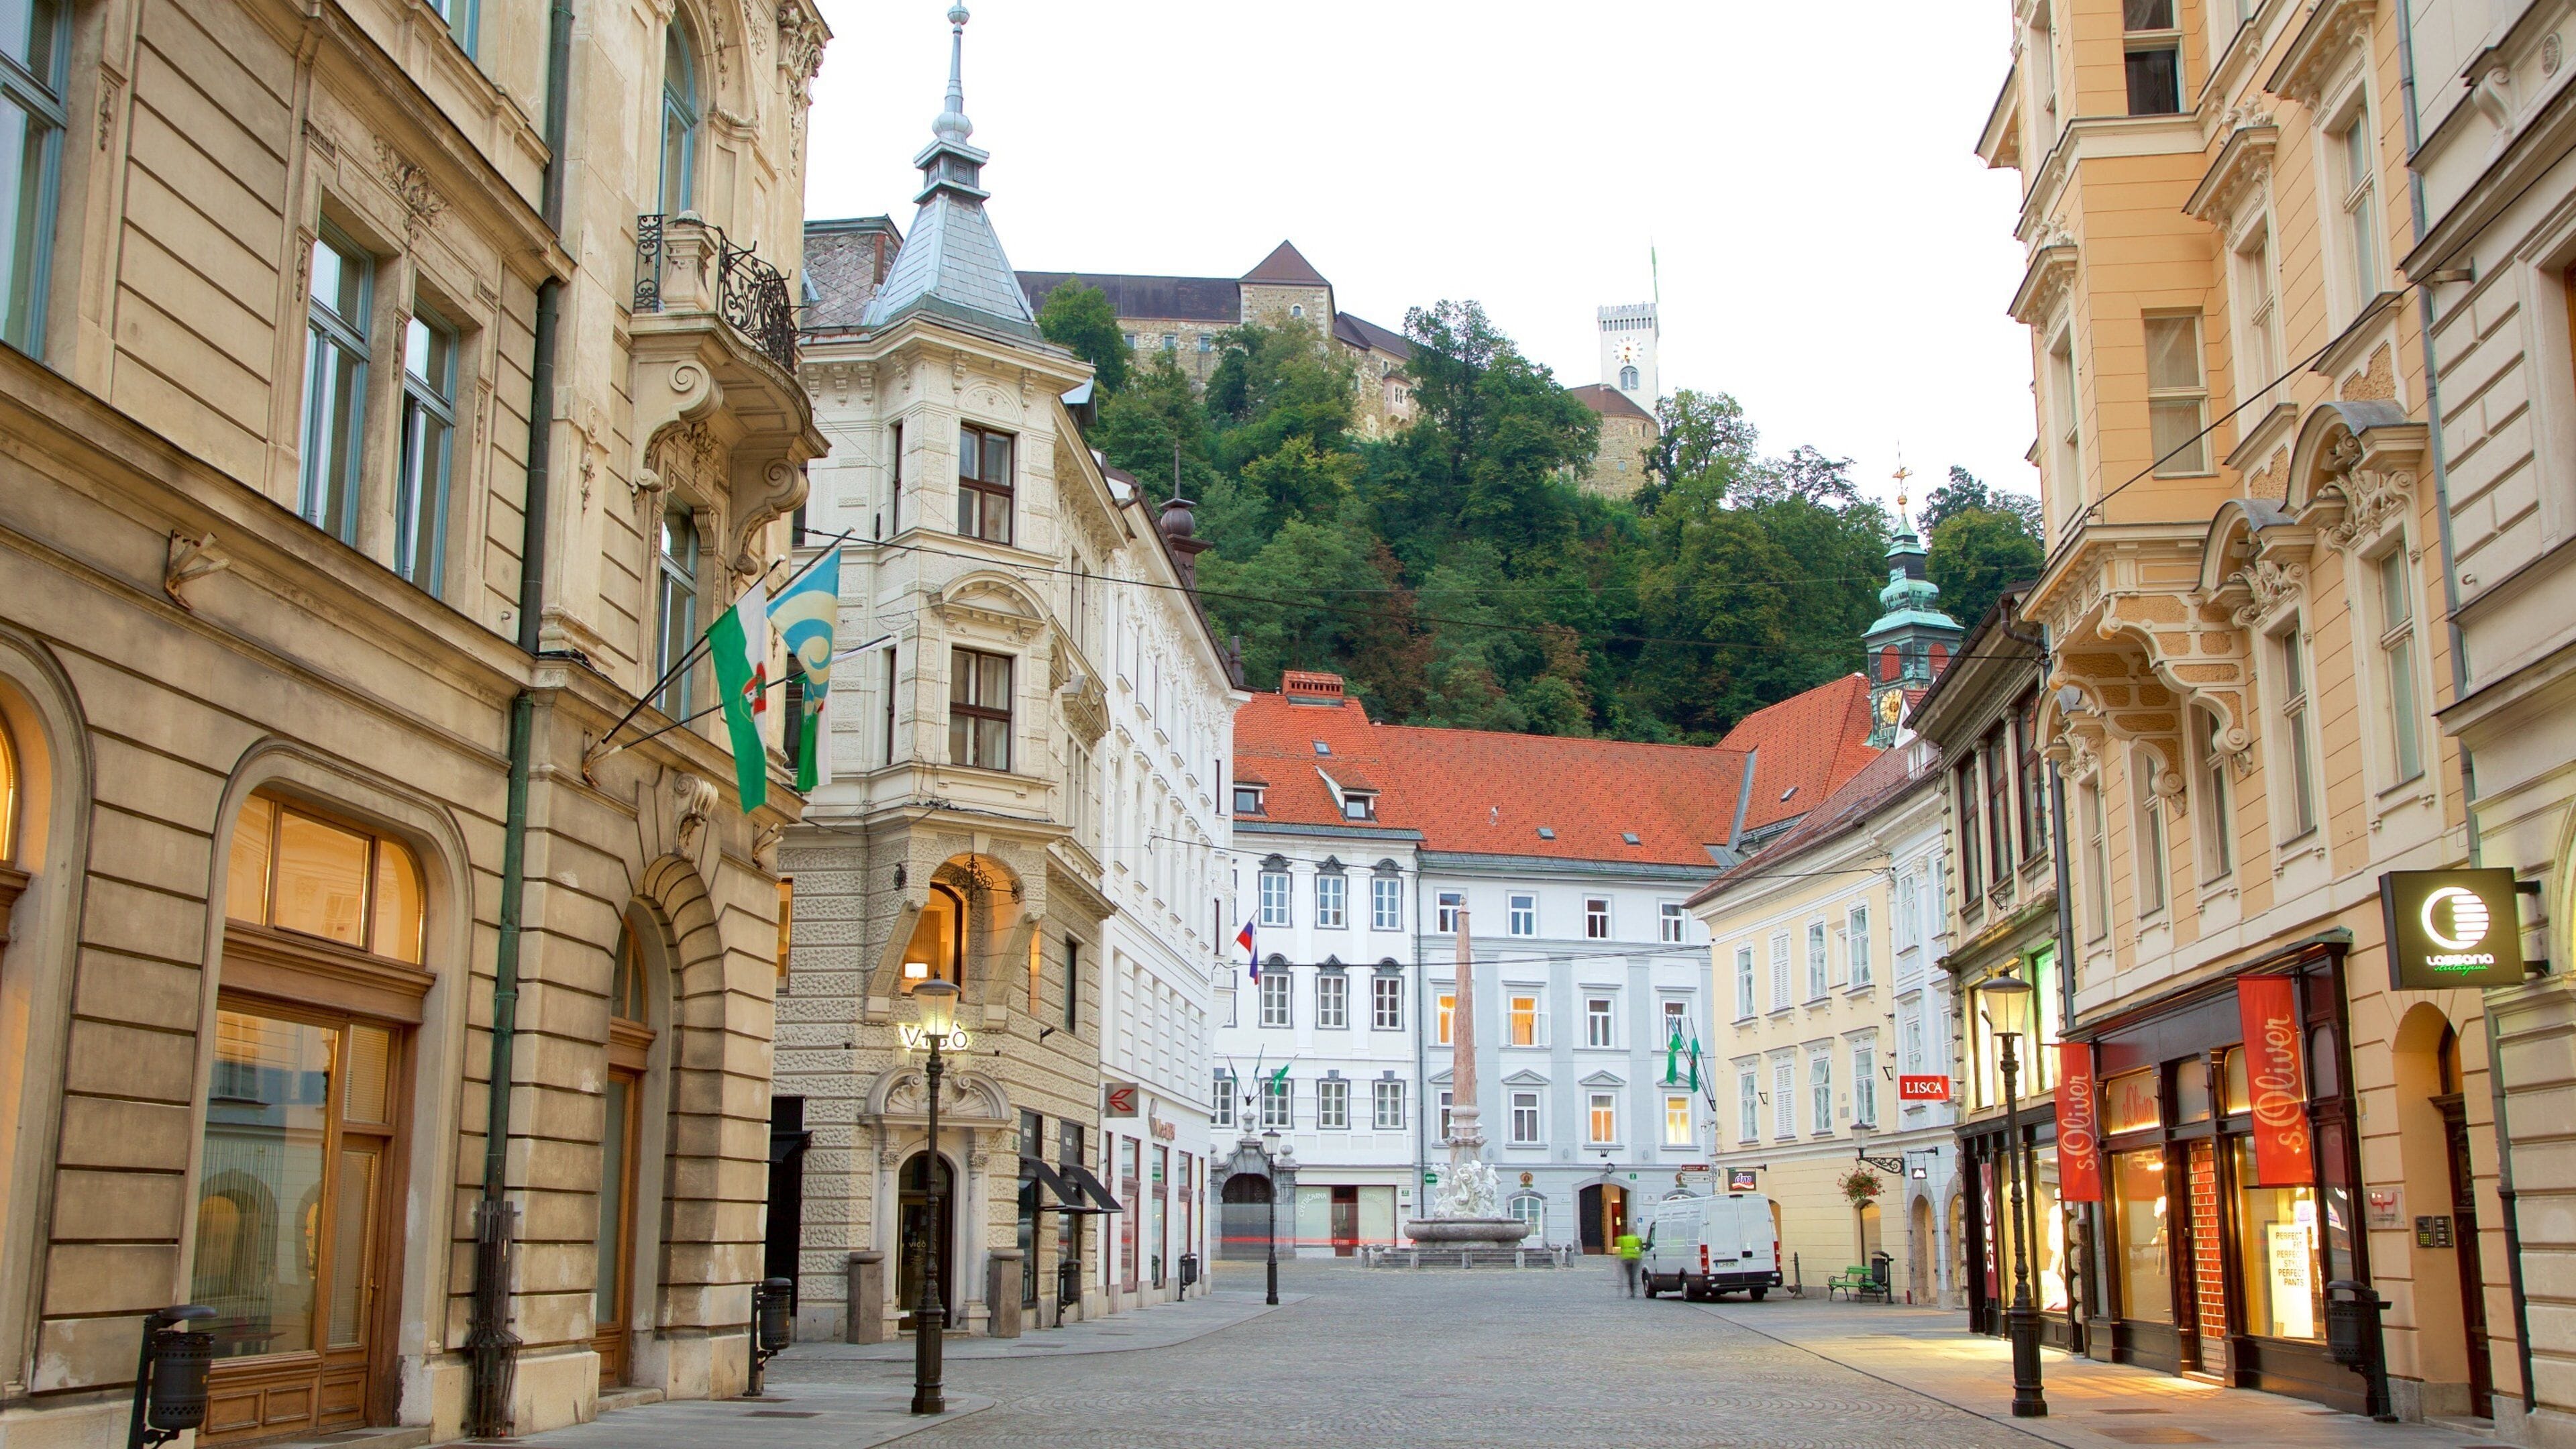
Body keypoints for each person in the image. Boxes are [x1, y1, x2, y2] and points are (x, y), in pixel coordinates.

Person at [1615, 1227, 1643, 1297]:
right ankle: (1633, 1290)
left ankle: (1631, 1290)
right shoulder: (1636, 1239)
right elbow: (1638, 1249)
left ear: (1628, 1232)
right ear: (1633, 1232)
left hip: (1626, 1259)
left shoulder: (1623, 1239)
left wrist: (1618, 1257)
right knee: (1633, 1275)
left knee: (1629, 1275)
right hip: (1635, 1259)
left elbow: (1619, 1248)